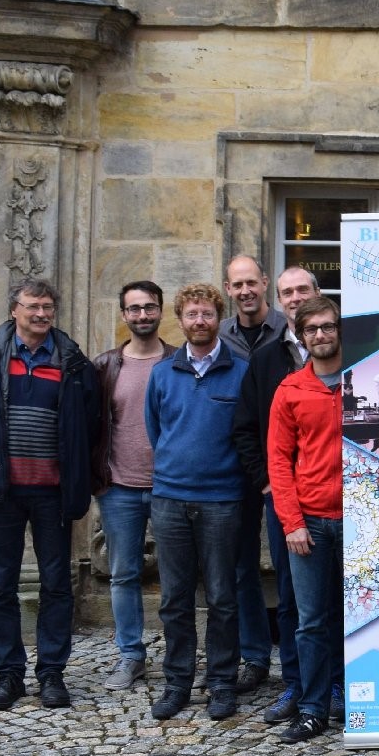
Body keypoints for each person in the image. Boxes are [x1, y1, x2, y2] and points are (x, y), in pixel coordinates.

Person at [0, 278, 100, 711]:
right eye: (32, 307)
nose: (41, 314)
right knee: (0, 586)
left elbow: (91, 422)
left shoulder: (72, 361)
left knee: (57, 584)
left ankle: (51, 674)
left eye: (47, 307)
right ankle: (8, 675)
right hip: (4, 492)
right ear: (14, 310)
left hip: (53, 494)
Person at [145, 284, 251, 721]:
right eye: (191, 315)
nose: (200, 321)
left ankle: (223, 683)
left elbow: (247, 433)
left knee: (224, 597)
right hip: (170, 498)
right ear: (181, 320)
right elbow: (156, 430)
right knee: (174, 598)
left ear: (218, 317)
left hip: (223, 500)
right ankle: (177, 683)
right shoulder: (162, 373)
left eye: (207, 314)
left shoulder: (241, 371)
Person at [231, 266, 323, 724]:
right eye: (287, 292)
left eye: (302, 289)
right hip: (285, 498)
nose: (294, 297)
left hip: (337, 498)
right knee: (290, 597)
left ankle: (338, 684)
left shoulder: (345, 350)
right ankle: (296, 683)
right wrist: (266, 481)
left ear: (317, 294)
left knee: (341, 595)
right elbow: (246, 428)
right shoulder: (266, 360)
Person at [266, 297, 345, 743]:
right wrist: (291, 521)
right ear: (301, 335)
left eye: (327, 326)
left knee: (362, 614)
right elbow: (278, 459)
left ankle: (360, 700)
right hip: (310, 522)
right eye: (311, 329)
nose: (320, 334)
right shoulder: (291, 389)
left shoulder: (365, 381)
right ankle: (313, 708)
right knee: (311, 620)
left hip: (361, 519)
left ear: (339, 330)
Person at [93, 280, 175, 692]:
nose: (142, 315)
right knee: (123, 574)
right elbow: (92, 425)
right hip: (119, 487)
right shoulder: (106, 365)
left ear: (161, 311)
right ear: (124, 314)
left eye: (150, 307)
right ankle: (131, 656)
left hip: (171, 487)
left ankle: (180, 658)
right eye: (134, 309)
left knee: (179, 574)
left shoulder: (179, 361)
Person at [219, 255, 288, 696]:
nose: (245, 291)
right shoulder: (219, 335)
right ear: (228, 289)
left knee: (289, 566)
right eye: (236, 284)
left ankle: (301, 661)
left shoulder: (288, 331)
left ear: (265, 284)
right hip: (237, 468)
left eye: (252, 282)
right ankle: (255, 656)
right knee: (241, 566)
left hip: (283, 471)